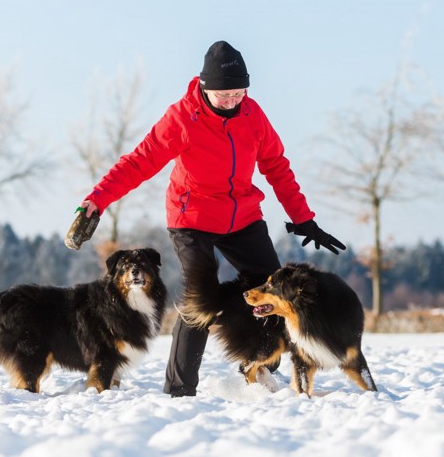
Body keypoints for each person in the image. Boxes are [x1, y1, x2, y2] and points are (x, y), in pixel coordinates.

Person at [79, 40, 345, 397]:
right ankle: (179, 389)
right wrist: (97, 200)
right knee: (200, 301)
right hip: (192, 218)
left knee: (273, 289)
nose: (233, 100)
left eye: (239, 92)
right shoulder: (182, 118)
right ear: (205, 88)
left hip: (242, 216)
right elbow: (139, 162)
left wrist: (303, 218)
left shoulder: (252, 115)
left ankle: (259, 369)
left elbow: (276, 166)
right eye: (224, 95)